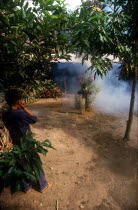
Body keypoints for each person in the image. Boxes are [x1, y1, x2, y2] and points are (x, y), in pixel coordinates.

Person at [2, 89, 49, 193]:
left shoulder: (5, 115)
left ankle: (26, 186)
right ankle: (42, 185)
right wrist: (24, 108)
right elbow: (34, 119)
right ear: (19, 101)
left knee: (21, 163)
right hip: (27, 142)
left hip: (16, 143)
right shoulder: (20, 114)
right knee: (35, 162)